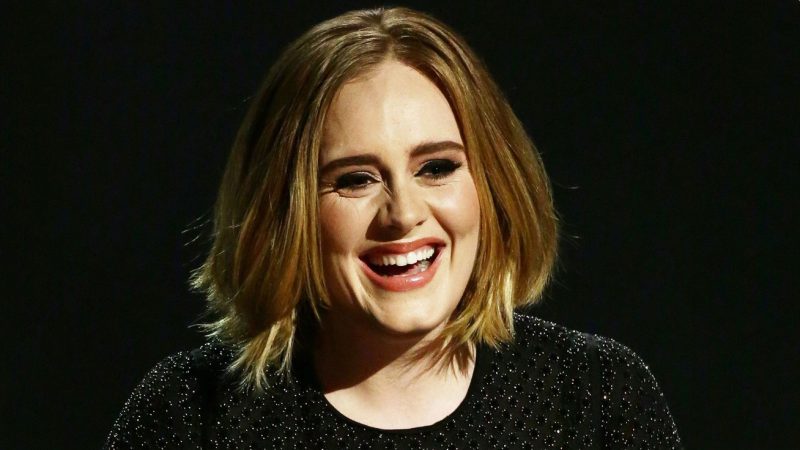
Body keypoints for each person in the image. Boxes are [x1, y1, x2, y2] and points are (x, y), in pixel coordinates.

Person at [104, 7, 681, 449]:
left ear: (493, 184)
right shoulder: (189, 416)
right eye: (355, 179)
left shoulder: (597, 400)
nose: (403, 214)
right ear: (285, 210)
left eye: (437, 167)